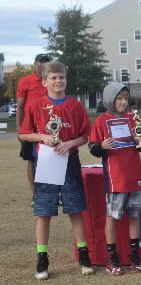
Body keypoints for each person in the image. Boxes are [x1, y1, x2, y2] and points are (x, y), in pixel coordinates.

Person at [18, 61, 94, 280]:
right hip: (46, 162)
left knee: (75, 209)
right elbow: (24, 134)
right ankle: (42, 258)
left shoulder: (75, 106)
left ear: (66, 80)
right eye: (53, 78)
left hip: (69, 161)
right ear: (44, 82)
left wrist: (70, 144)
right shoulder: (36, 105)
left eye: (61, 77)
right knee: (44, 212)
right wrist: (42, 137)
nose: (58, 81)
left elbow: (85, 135)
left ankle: (83, 254)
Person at [88, 82, 141, 275]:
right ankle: (112, 258)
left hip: (134, 175)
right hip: (116, 178)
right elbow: (93, 148)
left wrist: (140, 142)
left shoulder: (133, 118)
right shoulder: (101, 121)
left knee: (134, 216)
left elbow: (139, 145)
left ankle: (134, 256)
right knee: (112, 217)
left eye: (125, 98)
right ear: (110, 100)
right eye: (119, 98)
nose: (123, 102)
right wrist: (102, 146)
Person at [16, 54, 51, 204]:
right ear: (35, 64)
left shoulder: (52, 80)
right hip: (30, 128)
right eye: (40, 62)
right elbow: (20, 106)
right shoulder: (25, 81)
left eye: (46, 63)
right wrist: (19, 128)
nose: (42, 65)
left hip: (50, 127)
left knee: (52, 159)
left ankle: (53, 192)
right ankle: (35, 194)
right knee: (31, 160)